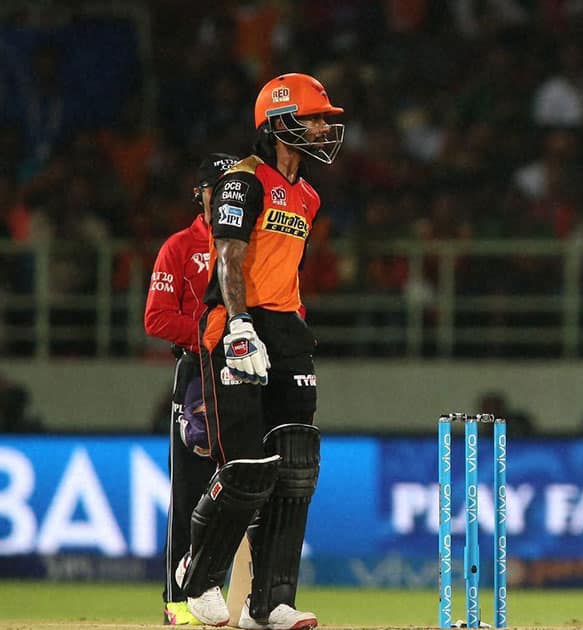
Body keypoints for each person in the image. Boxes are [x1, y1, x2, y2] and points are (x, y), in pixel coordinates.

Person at [176, 73, 345, 630]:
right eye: (315, 117)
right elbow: (227, 256)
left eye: (325, 118)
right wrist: (241, 326)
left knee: (296, 467)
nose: (324, 127)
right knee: (247, 467)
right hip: (234, 323)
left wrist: (286, 327)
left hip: (286, 327)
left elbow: (283, 268)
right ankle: (197, 576)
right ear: (279, 123)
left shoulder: (309, 195)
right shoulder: (243, 182)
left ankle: (268, 601)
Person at [144, 153, 238, 625]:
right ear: (200, 193)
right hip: (198, 373)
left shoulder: (248, 243)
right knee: (189, 491)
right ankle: (176, 601)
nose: (221, 195)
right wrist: (207, 332)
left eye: (229, 187)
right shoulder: (180, 247)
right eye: (213, 188)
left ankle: (230, 594)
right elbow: (155, 317)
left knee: (242, 486)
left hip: (243, 372)